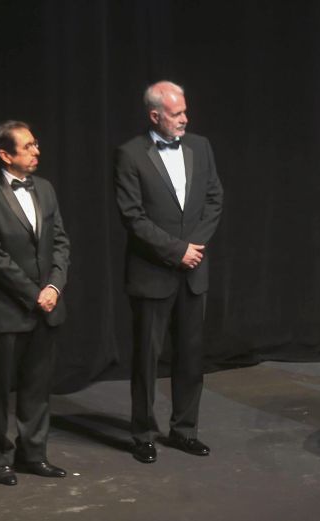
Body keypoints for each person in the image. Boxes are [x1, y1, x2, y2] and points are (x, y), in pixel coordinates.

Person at [114, 80, 223, 464]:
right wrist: (178, 251)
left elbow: (214, 199)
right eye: (176, 114)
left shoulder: (201, 146)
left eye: (184, 111)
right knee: (147, 358)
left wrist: (194, 248)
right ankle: (142, 432)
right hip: (152, 272)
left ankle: (185, 430)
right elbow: (132, 216)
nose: (184, 119)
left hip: (194, 271)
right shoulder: (130, 154)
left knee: (191, 355)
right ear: (155, 116)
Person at [0, 121, 71, 486]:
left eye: (35, 144)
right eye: (28, 146)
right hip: (8, 311)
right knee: (0, 390)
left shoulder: (45, 188)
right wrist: (34, 294)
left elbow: (60, 242)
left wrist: (54, 288)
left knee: (37, 387)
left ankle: (34, 455)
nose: (36, 151)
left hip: (47, 305)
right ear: (5, 154)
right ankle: (0, 459)